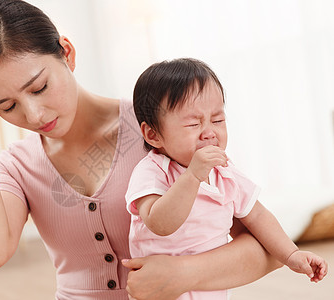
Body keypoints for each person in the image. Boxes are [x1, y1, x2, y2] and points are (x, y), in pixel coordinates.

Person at [0, 0, 282, 299]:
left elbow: (267, 249)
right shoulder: (16, 166)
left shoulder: (157, 132)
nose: (34, 115)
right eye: (7, 106)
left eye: (40, 87)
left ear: (67, 53)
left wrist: (183, 274)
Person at [126, 58, 328, 299]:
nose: (210, 132)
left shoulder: (224, 172)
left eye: (218, 120)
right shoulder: (153, 170)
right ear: (153, 134)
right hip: (161, 289)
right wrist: (192, 176)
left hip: (211, 288)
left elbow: (258, 215)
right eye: (193, 123)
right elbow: (159, 223)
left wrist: (292, 255)